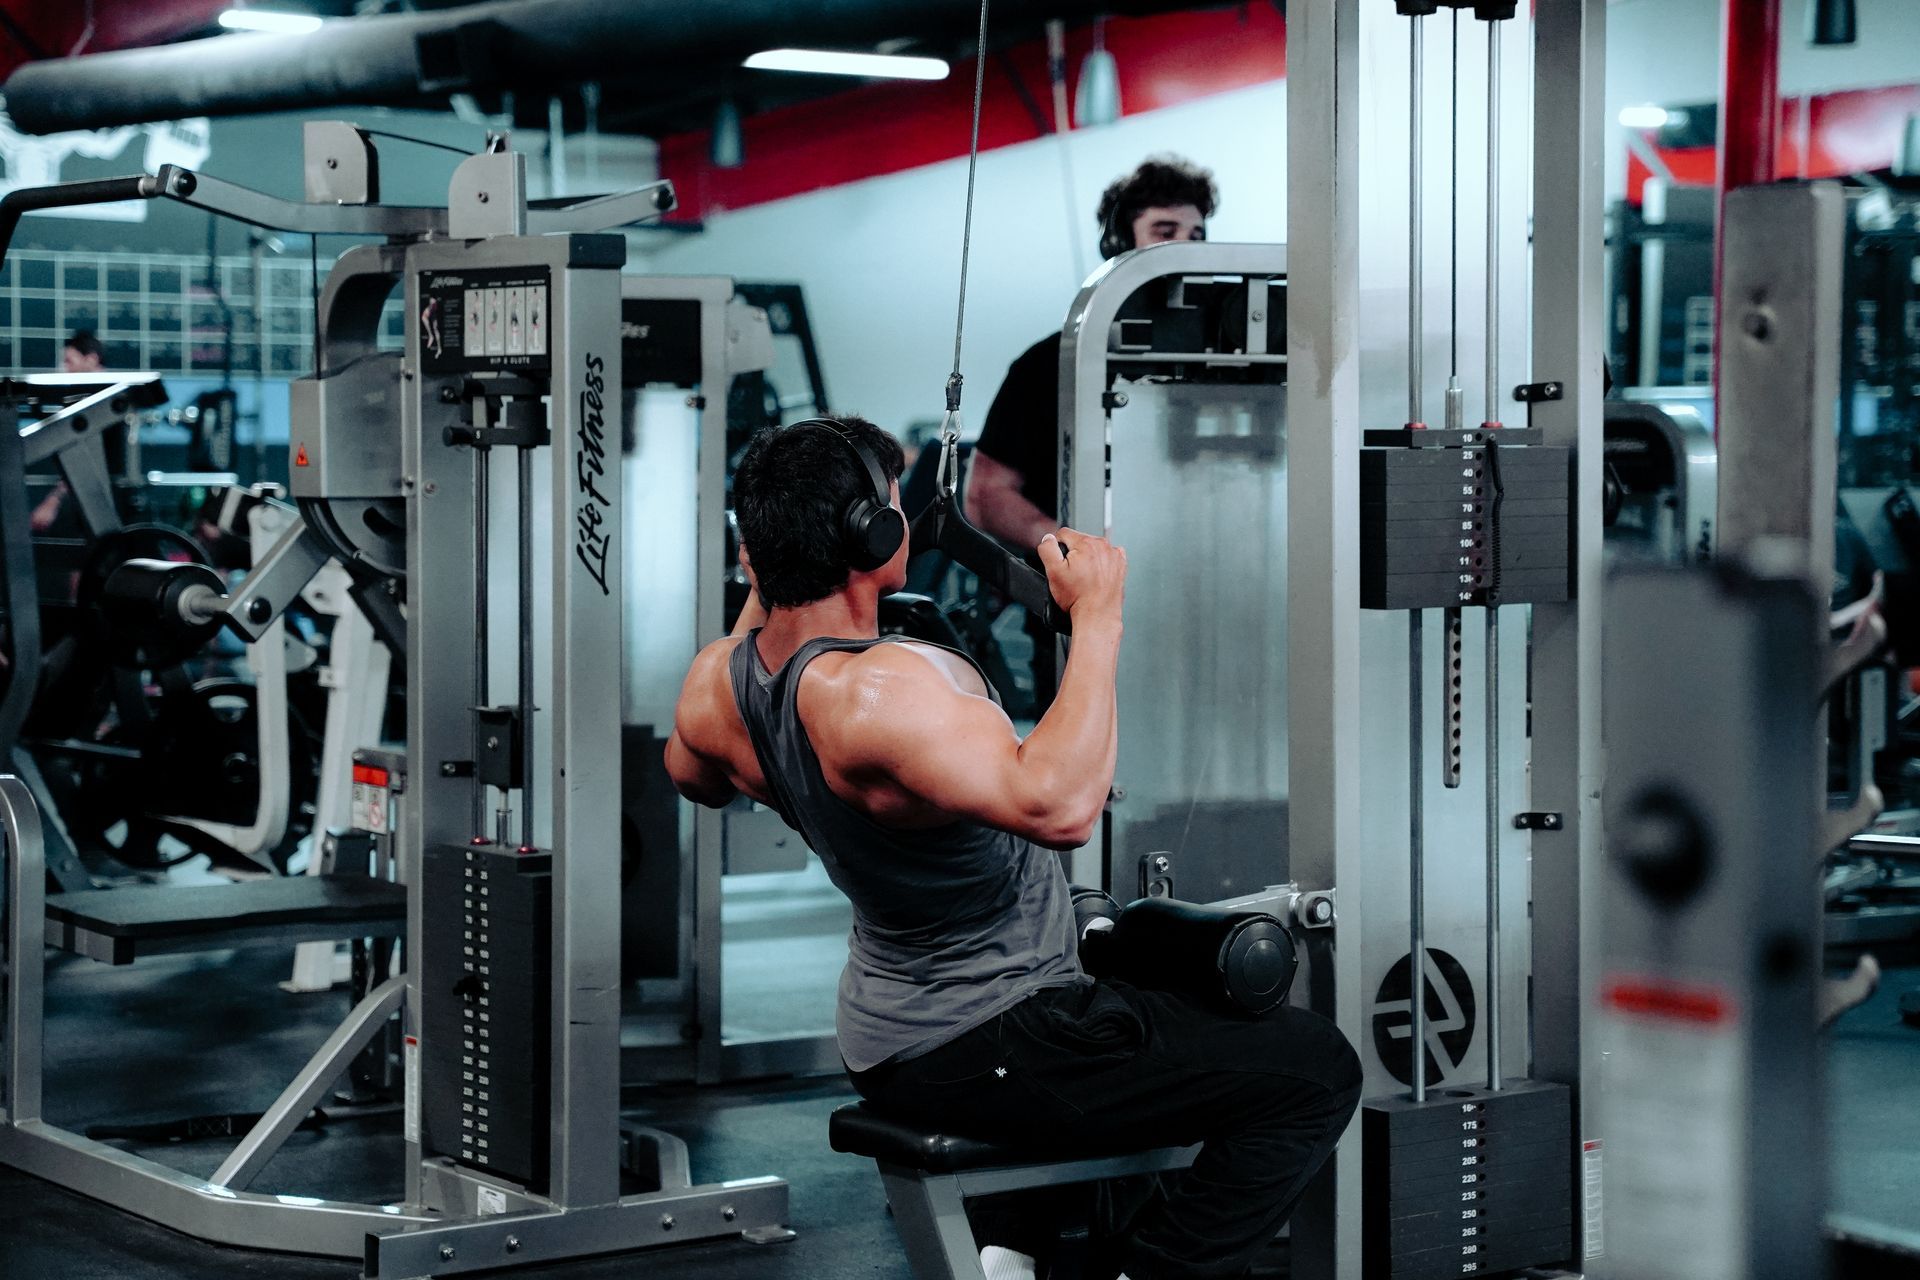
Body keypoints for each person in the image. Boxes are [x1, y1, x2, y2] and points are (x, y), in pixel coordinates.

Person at [665, 416, 1360, 1280]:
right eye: (893, 506)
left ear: (755, 557)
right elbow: (1063, 806)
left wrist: (770, 578)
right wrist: (1097, 617)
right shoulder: (877, 692)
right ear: (874, 534)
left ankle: (1013, 1251)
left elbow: (694, 777)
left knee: (1130, 969)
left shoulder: (718, 686)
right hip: (995, 1036)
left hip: (888, 1030)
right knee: (1314, 1070)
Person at [964, 156, 1217, 704]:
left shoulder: (1222, 370)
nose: (1183, 250)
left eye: (1196, 235)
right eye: (1164, 232)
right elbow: (985, 496)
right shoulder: (1051, 365)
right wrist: (1078, 557)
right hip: (1080, 622)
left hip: (1204, 617)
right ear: (1120, 242)